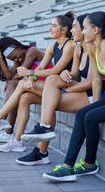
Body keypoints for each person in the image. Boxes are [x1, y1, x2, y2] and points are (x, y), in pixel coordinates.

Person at [26, 11, 105, 182]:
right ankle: (85, 165)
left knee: (91, 116)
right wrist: (95, 102)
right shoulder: (92, 46)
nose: (81, 31)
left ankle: (74, 166)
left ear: (96, 30)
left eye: (84, 28)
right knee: (84, 114)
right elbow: (95, 82)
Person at [0, 12, 75, 153]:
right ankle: (17, 141)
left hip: (64, 88)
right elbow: (38, 68)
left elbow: (56, 70)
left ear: (63, 30)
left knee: (20, 84)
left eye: (53, 26)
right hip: (51, 87)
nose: (50, 29)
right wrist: (30, 78)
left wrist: (30, 74)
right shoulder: (53, 47)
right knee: (24, 97)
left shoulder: (69, 45)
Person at [15, 13, 94, 165]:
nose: (72, 31)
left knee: (48, 95)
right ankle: (40, 144)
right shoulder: (78, 50)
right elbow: (75, 76)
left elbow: (92, 83)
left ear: (87, 29)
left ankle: (42, 145)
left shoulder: (93, 49)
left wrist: (32, 73)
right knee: (35, 93)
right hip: (78, 90)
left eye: (75, 27)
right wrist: (66, 73)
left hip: (92, 96)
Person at [0, 37, 45, 143]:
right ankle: (8, 132)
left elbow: (17, 76)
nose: (16, 60)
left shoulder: (32, 51)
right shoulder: (20, 59)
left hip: (47, 85)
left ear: (17, 47)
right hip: (35, 86)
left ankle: (2, 119)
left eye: (15, 56)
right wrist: (0, 56)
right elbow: (8, 75)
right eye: (13, 59)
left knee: (13, 84)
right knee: (15, 92)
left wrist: (9, 82)